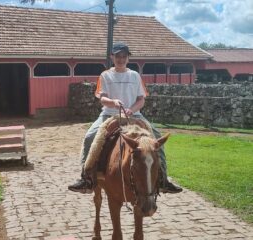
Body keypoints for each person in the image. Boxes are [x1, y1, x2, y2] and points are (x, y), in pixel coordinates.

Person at [68, 42, 182, 194]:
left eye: (124, 56)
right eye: (117, 56)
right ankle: (86, 178)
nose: (120, 59)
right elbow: (102, 98)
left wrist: (131, 110)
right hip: (109, 114)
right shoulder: (105, 75)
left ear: (128, 58)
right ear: (112, 57)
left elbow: (141, 99)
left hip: (134, 114)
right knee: (90, 137)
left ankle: (163, 180)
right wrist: (114, 103)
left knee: (157, 138)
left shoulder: (135, 76)